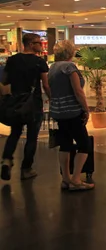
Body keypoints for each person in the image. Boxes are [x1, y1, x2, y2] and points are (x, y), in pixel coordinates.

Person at [1, 33, 51, 181]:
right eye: (38, 43)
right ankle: (26, 169)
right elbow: (46, 85)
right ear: (30, 44)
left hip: (16, 102)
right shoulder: (39, 62)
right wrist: (51, 99)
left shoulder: (12, 60)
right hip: (33, 103)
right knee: (31, 137)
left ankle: (6, 160)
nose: (40, 46)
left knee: (15, 133)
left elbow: (5, 81)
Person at [48, 40, 94, 191]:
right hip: (72, 111)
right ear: (70, 52)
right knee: (84, 143)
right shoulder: (69, 67)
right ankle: (76, 179)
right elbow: (78, 91)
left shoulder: (53, 68)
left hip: (59, 111)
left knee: (65, 143)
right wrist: (86, 109)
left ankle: (65, 178)